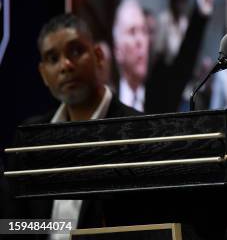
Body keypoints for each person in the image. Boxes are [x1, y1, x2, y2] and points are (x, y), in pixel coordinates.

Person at [5, 13, 141, 238]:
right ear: (43, 74)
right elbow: (11, 225)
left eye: (76, 51)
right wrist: (56, 229)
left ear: (98, 56)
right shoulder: (30, 138)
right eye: (53, 58)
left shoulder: (137, 131)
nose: (65, 65)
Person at [112, 0, 222, 114]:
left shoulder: (160, 91)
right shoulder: (106, 96)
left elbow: (186, 57)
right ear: (117, 49)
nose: (141, 40)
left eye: (144, 31)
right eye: (132, 32)